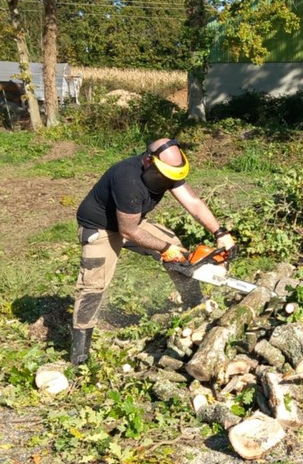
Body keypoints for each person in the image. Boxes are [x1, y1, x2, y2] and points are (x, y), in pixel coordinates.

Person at [70, 137, 235, 365]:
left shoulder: (168, 172)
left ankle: (195, 305)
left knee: (178, 251)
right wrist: (165, 249)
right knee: (93, 286)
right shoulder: (128, 178)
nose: (168, 181)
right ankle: (79, 356)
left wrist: (220, 233)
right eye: (165, 175)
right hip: (102, 228)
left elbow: (194, 203)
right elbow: (128, 231)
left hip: (132, 222)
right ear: (149, 161)